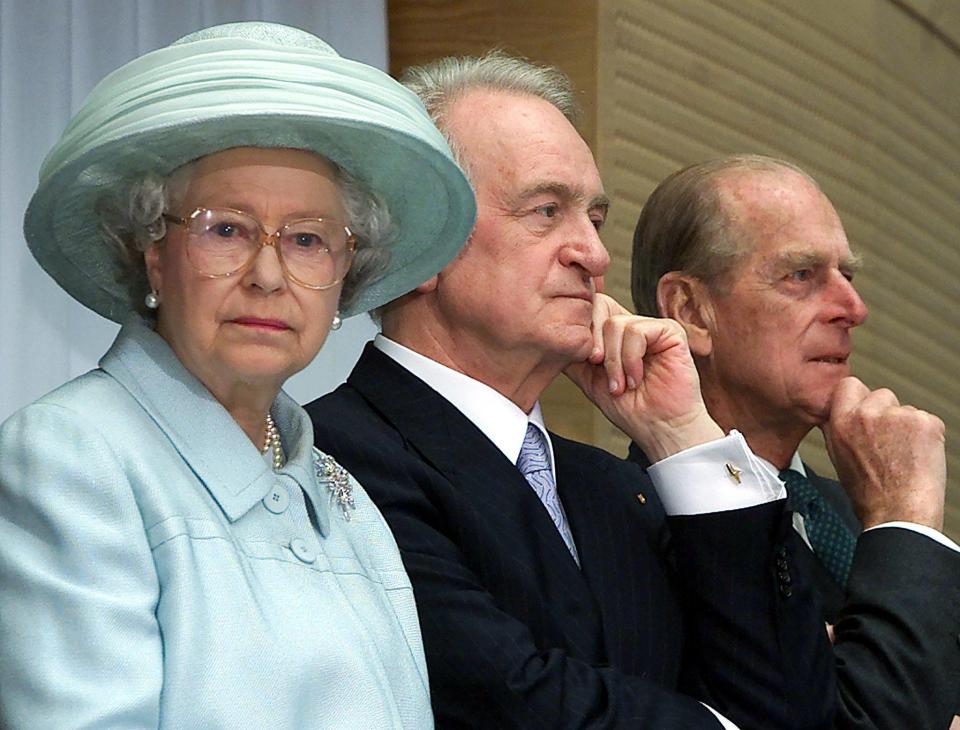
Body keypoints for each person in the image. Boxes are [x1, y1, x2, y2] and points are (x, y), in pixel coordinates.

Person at [307, 53, 849, 729]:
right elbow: (515, 702)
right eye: (546, 211)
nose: (592, 254)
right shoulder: (325, 456)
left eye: (594, 217)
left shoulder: (620, 486)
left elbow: (798, 702)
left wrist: (681, 433)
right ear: (423, 243)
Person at [0, 22, 476, 729]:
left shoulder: (344, 497)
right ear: (153, 254)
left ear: (346, 276)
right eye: (225, 229)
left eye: (309, 240)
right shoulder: (71, 454)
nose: (267, 275)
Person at [630, 154, 960, 728]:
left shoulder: (861, 512)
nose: (853, 309)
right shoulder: (629, 529)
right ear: (690, 311)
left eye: (847, 276)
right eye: (801, 275)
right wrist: (907, 515)